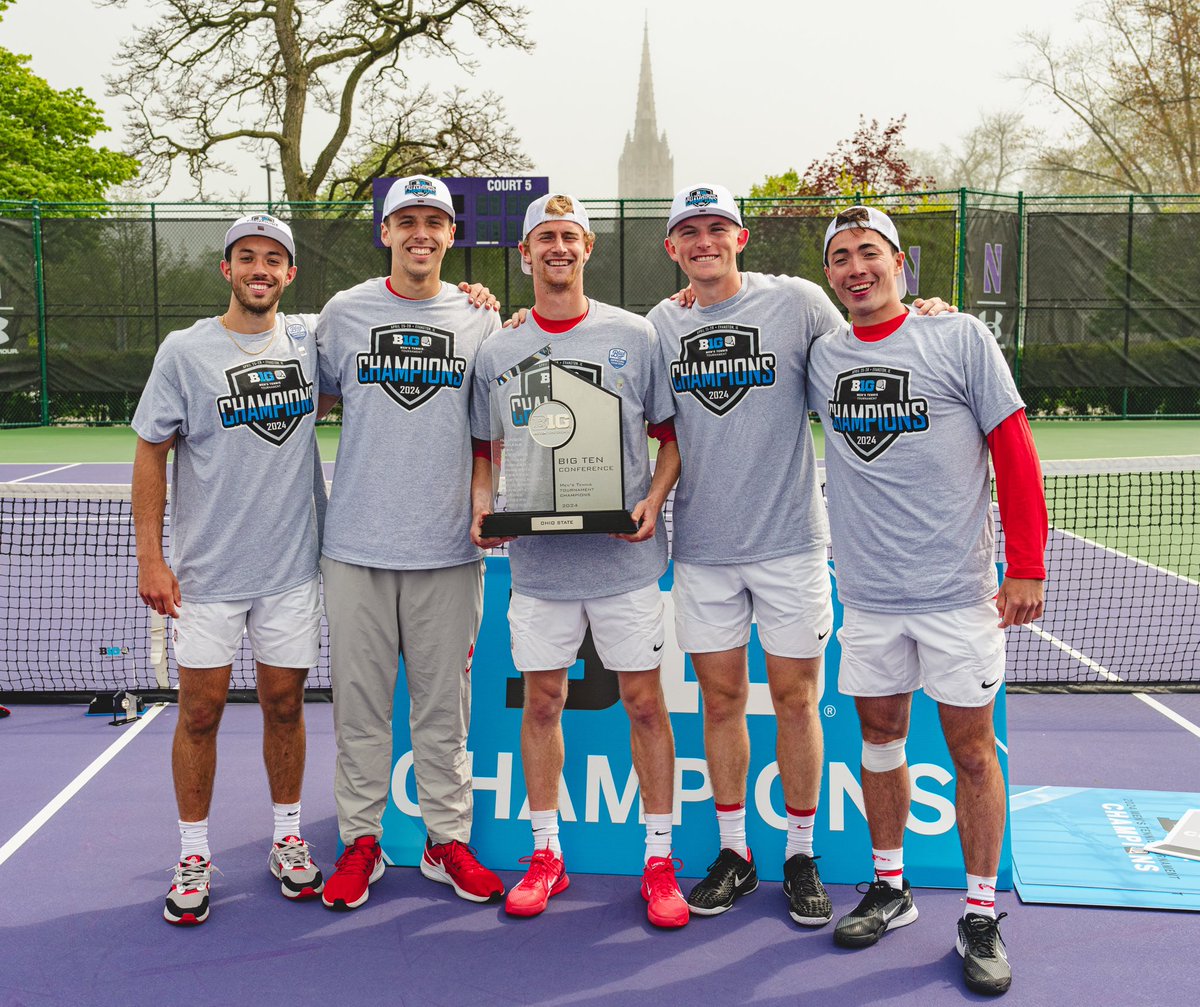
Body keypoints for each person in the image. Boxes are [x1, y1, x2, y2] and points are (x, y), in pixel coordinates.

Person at [648, 184, 953, 926]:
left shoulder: (799, 303)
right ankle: (734, 853)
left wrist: (929, 317)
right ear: (673, 250)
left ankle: (799, 853)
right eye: (690, 232)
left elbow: (870, 335)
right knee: (720, 702)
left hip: (790, 544)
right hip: (704, 549)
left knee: (795, 701)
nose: (705, 241)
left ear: (741, 238)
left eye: (717, 228)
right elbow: (663, 428)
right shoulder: (662, 322)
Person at [807, 205, 1047, 996]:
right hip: (869, 597)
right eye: (840, 256)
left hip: (957, 594)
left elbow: (1012, 447)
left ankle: (978, 912)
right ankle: (890, 885)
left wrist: (1028, 565)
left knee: (972, 750)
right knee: (880, 737)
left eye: (867, 252)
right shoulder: (824, 355)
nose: (854, 267)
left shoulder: (959, 338)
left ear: (899, 263)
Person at [469, 193, 688, 927]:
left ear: (587, 247)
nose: (557, 248)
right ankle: (545, 854)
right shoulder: (497, 349)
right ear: (524, 255)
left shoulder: (636, 334)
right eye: (543, 238)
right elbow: (485, 449)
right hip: (538, 569)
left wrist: (653, 501)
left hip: (625, 563)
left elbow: (671, 437)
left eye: (569, 235)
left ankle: (659, 860)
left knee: (646, 704)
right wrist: (481, 503)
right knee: (542, 703)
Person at [315, 174, 505, 911]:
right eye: (407, 221)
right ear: (385, 232)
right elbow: (313, 393)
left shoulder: (481, 319)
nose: (420, 233)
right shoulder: (343, 312)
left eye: (434, 221)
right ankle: (361, 839)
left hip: (448, 550)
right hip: (355, 546)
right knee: (359, 709)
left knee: (443, 710)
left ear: (451, 235)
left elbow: (490, 430)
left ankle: (443, 839)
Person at [133, 212, 325, 925]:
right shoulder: (184, 351)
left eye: (274, 260)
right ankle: (192, 852)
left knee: (284, 705)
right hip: (207, 578)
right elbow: (151, 449)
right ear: (227, 269)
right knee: (201, 713)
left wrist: (483, 301)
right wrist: (151, 557)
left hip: (291, 572)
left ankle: (286, 839)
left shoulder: (309, 341)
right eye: (247, 258)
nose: (261, 270)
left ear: (290, 274)